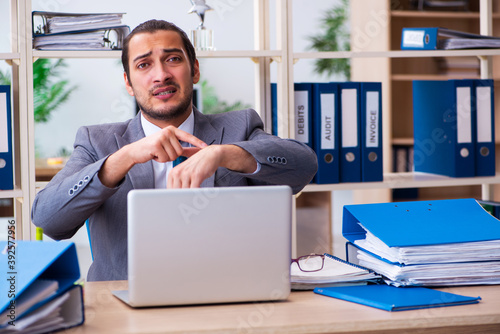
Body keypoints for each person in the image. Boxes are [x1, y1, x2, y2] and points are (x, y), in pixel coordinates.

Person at [31, 19, 318, 281]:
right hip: (122, 307)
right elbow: (47, 219)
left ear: (194, 70)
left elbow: (304, 166)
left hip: (224, 300)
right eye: (144, 65)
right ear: (129, 84)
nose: (161, 75)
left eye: (173, 59)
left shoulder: (238, 128)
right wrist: (125, 156)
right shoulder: (97, 142)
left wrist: (225, 154)